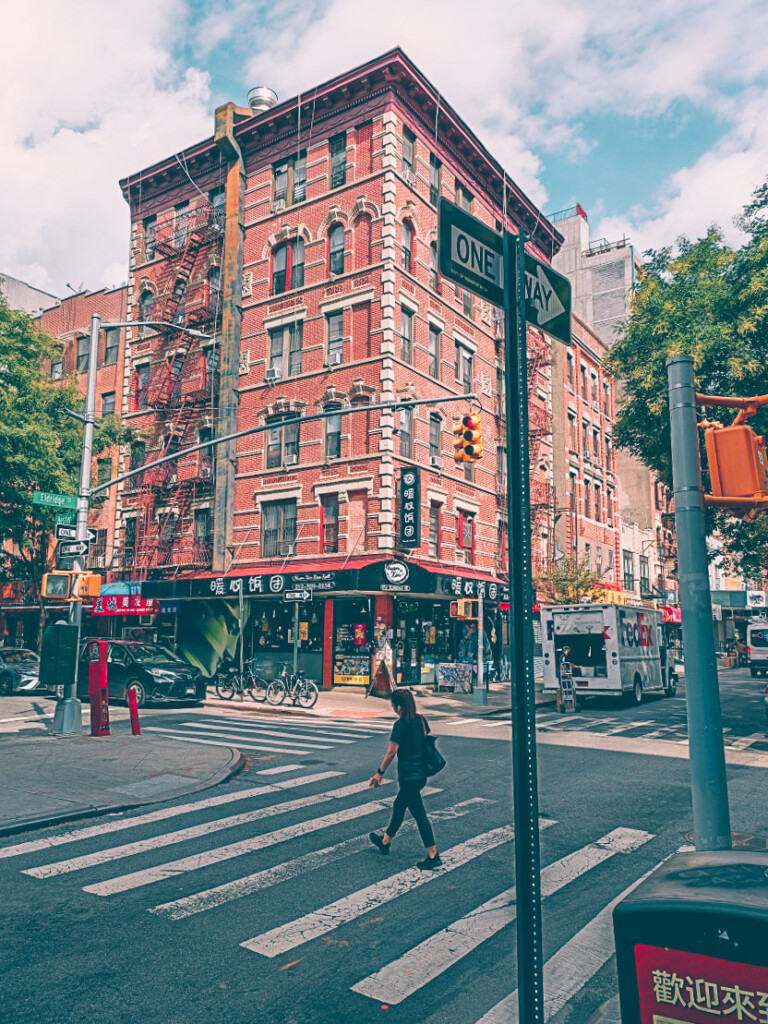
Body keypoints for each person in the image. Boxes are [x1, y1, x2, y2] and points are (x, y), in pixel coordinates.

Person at [368, 688, 441, 870]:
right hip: (421, 774)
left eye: (394, 705)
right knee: (399, 806)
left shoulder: (400, 725)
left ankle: (433, 854)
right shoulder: (421, 720)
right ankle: (385, 842)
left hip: (408, 777)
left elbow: (392, 751)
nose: (393, 708)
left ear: (399, 707)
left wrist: (380, 772)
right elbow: (429, 739)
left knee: (419, 815)